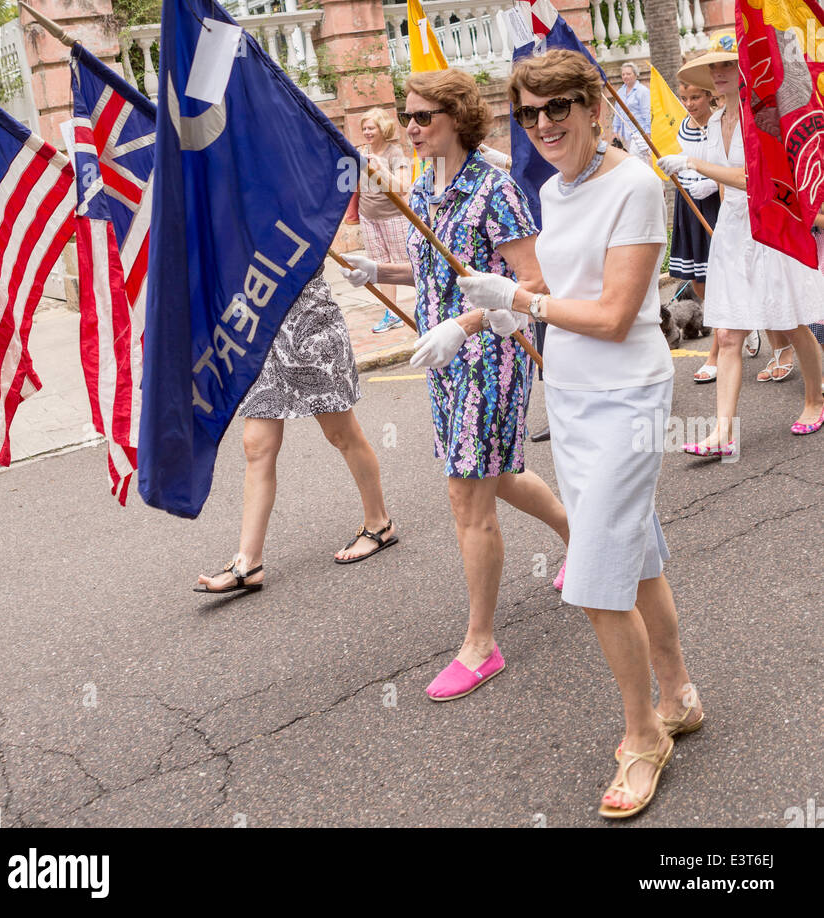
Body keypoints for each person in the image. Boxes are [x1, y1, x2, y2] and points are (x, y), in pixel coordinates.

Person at [459, 48, 700, 819]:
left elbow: (614, 315)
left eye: (557, 107)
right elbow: (553, 290)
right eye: (528, 113)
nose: (542, 125)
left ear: (593, 106)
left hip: (627, 395)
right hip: (569, 394)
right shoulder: (556, 190)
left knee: (597, 577)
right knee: (636, 556)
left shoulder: (632, 185)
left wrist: (522, 305)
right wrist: (480, 313)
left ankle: (642, 737)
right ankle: (680, 697)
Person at [342, 68, 569, 700]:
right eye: (407, 116)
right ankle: (580, 539)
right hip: (443, 361)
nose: (412, 127)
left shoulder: (495, 187)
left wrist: (465, 326)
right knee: (493, 474)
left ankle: (481, 644)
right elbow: (439, 272)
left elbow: (536, 283)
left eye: (423, 117)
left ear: (458, 116)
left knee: (467, 493)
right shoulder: (424, 185)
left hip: (491, 353)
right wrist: (377, 270)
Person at [659, 37, 824, 459]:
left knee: (791, 322)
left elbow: (756, 181)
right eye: (713, 67)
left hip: (768, 228)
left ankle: (816, 399)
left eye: (727, 65)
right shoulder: (713, 122)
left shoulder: (761, 117)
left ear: (744, 70)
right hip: (732, 232)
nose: (717, 73)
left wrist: (693, 163)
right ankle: (722, 433)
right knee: (729, 333)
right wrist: (691, 177)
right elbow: (722, 180)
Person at [194, 273, 398, 594]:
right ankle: (248, 562)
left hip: (310, 326)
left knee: (342, 434)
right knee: (256, 446)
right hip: (259, 337)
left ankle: (378, 523)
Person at [668, 76, 721, 383]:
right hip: (690, 202)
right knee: (698, 280)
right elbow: (686, 160)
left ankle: (716, 352)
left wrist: (712, 183)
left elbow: (732, 164)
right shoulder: (683, 127)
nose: (689, 104)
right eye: (684, 98)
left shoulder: (720, 124)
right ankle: (725, 324)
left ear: (709, 95)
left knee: (717, 275)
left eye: (695, 98)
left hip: (715, 202)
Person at [358, 107, 411, 333]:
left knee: (406, 263)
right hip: (368, 216)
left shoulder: (394, 154)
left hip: (393, 217)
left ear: (382, 128)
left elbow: (403, 187)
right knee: (380, 266)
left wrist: (380, 168)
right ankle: (392, 313)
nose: (367, 132)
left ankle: (431, 302)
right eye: (364, 128)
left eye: (371, 127)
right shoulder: (360, 152)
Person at [611, 61, 651, 161]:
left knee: (636, 160)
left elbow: (647, 113)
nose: (625, 76)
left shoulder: (642, 91)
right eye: (623, 74)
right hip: (626, 134)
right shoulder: (620, 92)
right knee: (637, 160)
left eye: (628, 74)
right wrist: (615, 131)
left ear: (636, 75)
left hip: (639, 133)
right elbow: (618, 113)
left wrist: (648, 133)